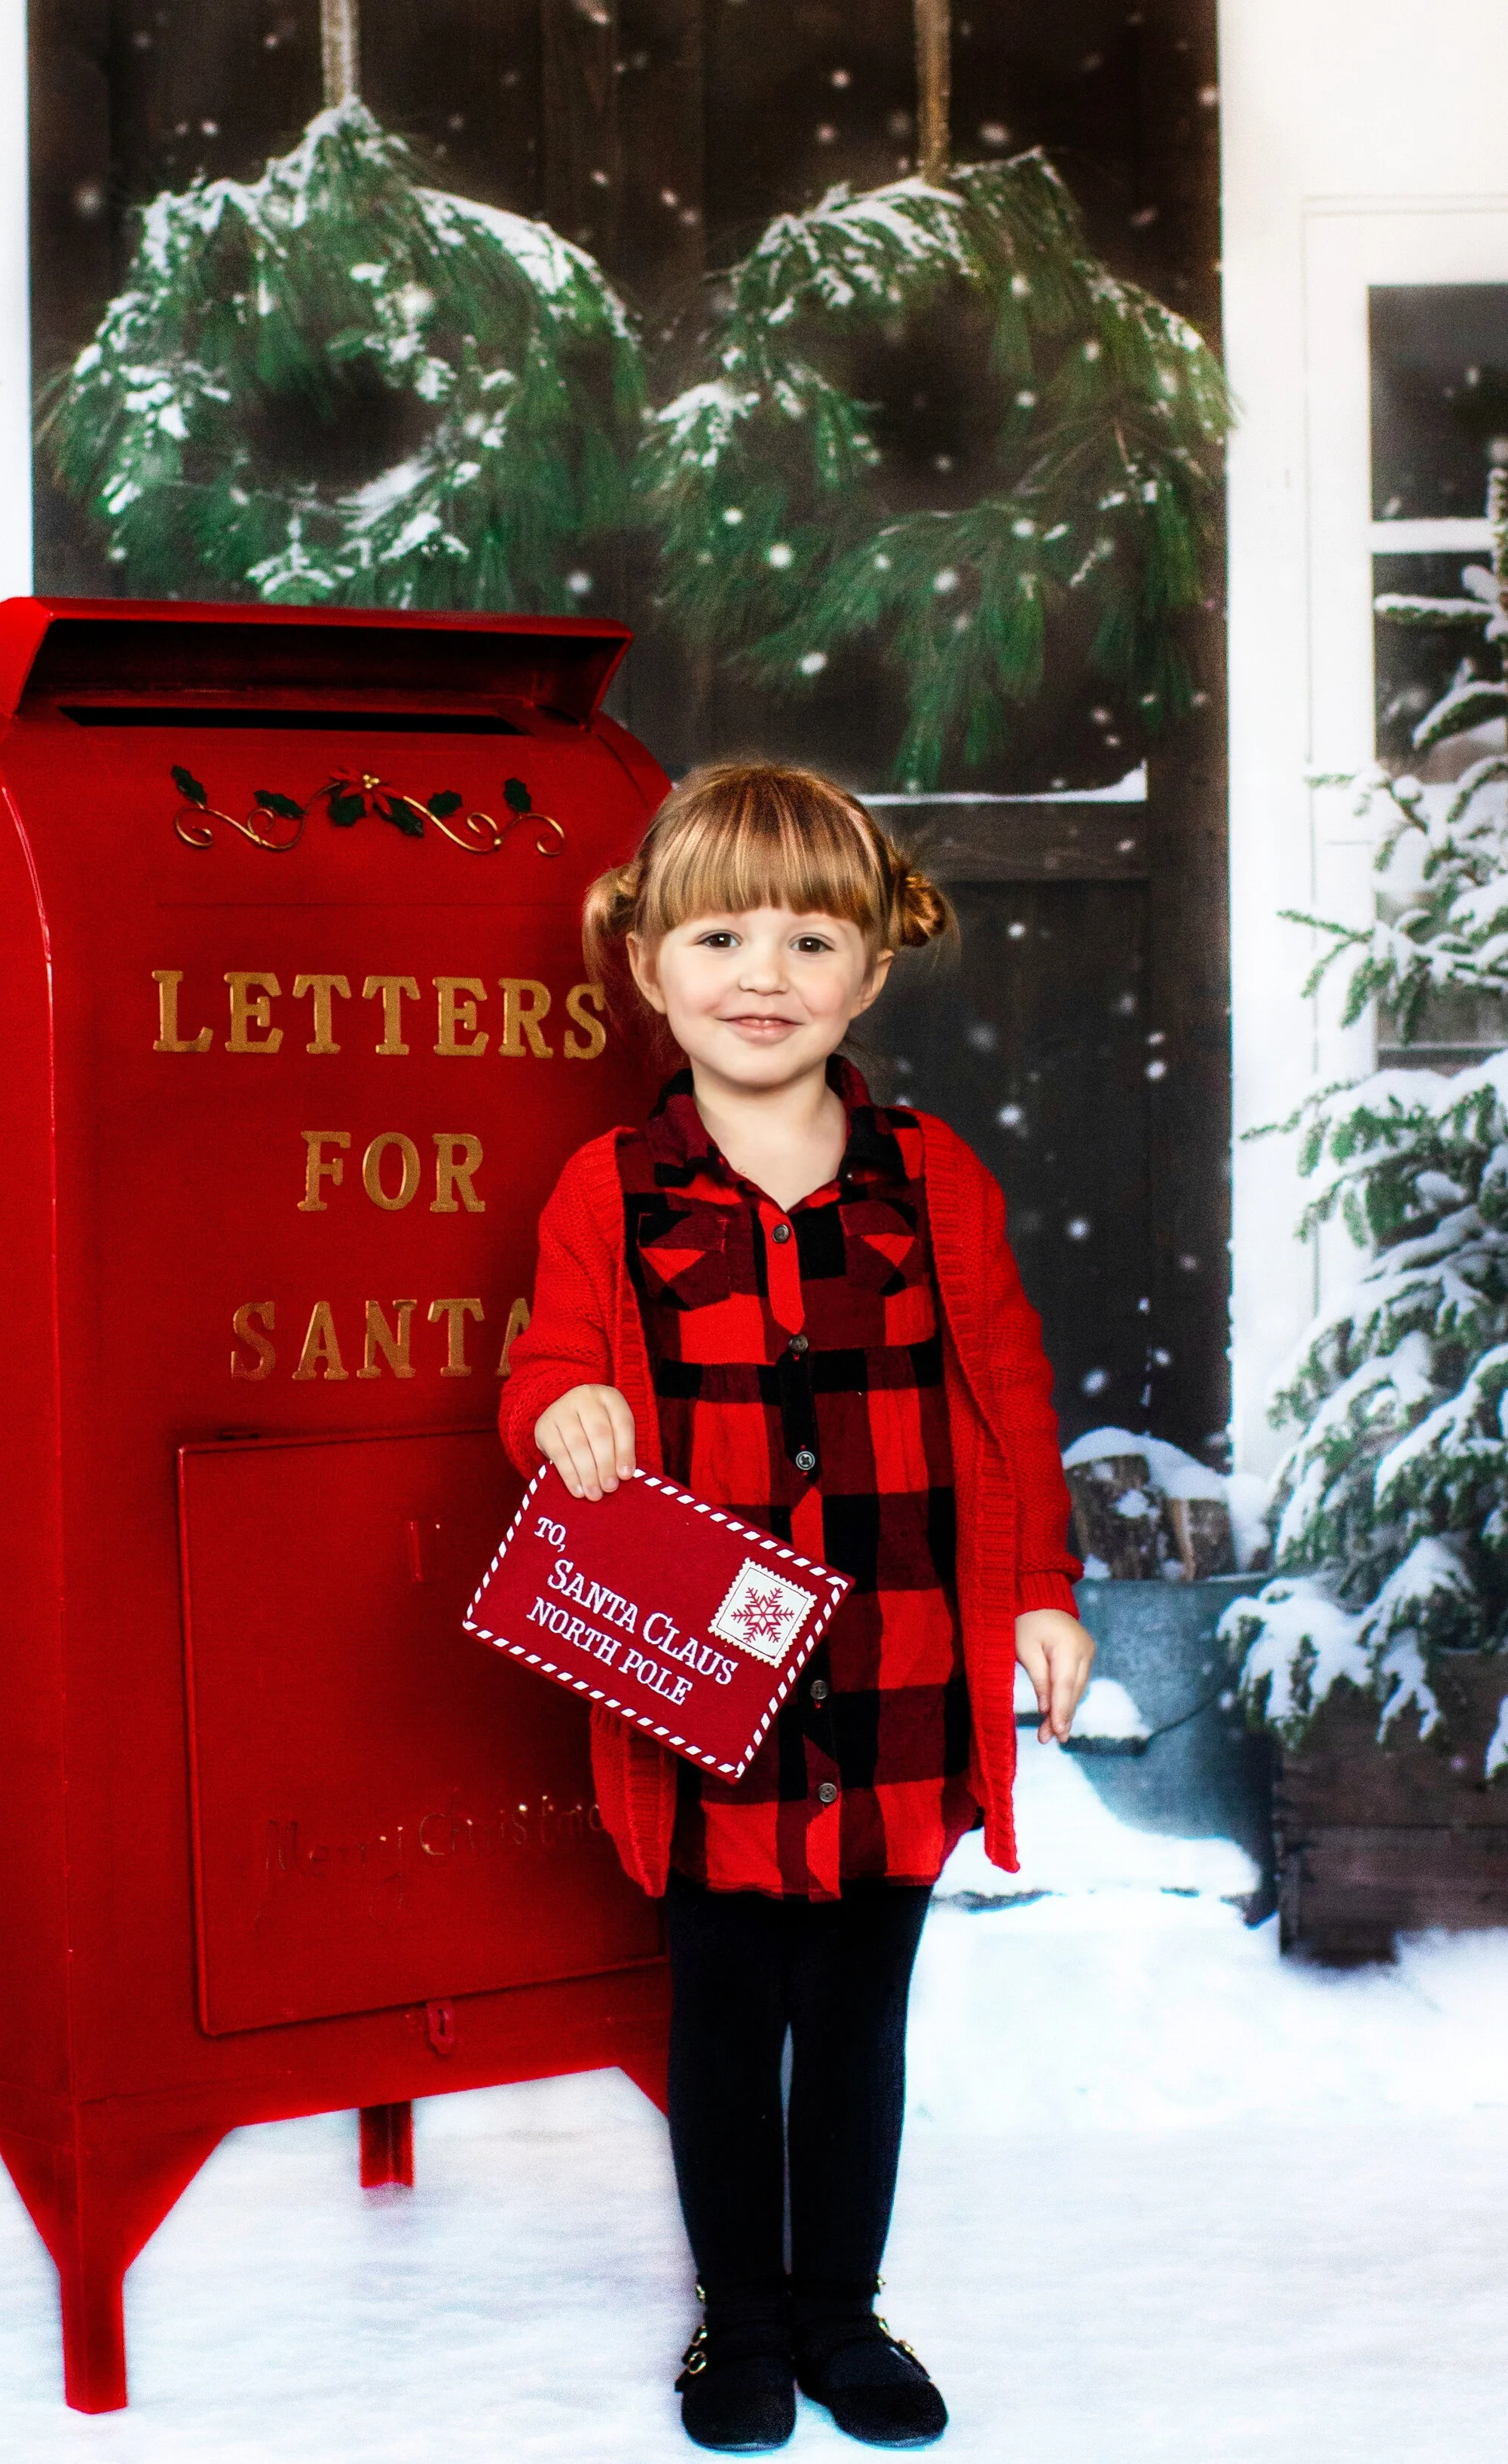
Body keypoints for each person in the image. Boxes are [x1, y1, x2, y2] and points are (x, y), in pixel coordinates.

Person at [498, 761, 1093, 2453]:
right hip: (709, 1693)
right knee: (723, 2015)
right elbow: (544, 1358)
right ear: (647, 962)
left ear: (872, 968)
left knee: (856, 2022)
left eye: (810, 939)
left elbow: (1009, 1394)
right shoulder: (608, 1187)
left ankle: (841, 2312)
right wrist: (561, 1408)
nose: (762, 975)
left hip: (898, 1670)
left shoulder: (930, 1177)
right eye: (720, 937)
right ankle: (739, 2325)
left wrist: (1040, 1590)